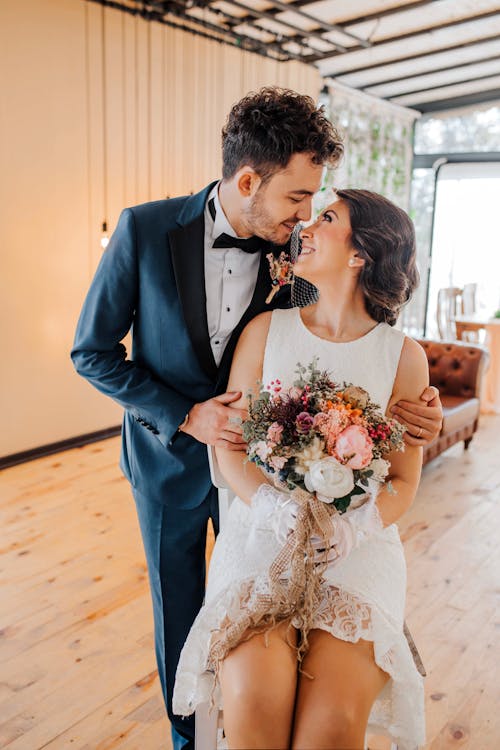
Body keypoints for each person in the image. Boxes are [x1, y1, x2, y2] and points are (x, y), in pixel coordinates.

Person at [71, 88, 441, 750]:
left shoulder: (293, 260)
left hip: (274, 468)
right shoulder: (143, 230)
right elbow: (91, 353)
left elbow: (338, 340)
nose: (305, 217)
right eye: (299, 198)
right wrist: (185, 415)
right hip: (171, 459)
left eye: (317, 204)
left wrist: (419, 410)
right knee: (181, 610)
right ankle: (190, 739)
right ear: (249, 181)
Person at [173, 189, 428, 749]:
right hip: (264, 538)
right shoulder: (266, 332)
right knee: (254, 705)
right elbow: (231, 447)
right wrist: (274, 506)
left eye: (328, 218)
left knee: (331, 727)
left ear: (360, 253)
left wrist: (351, 528)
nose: (307, 225)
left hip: (357, 552)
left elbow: (405, 482)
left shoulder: (403, 358)